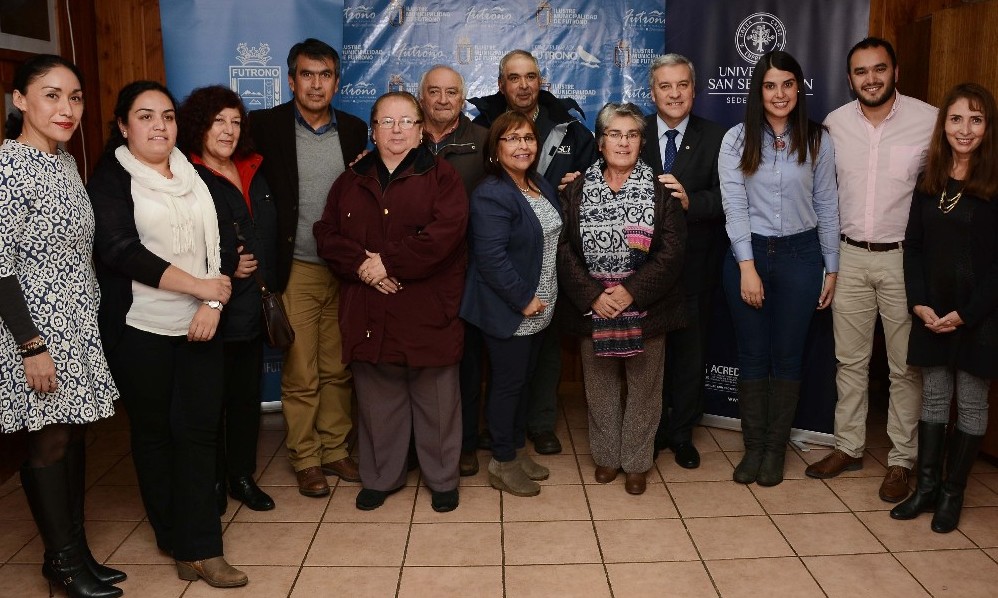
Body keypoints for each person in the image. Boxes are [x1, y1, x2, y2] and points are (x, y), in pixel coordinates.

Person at [88, 80, 246, 588]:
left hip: (202, 322)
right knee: (155, 434)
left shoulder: (195, 175)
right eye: (146, 115)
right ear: (123, 125)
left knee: (198, 431)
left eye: (168, 116)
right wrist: (197, 285)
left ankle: (203, 546)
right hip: (140, 327)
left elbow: (224, 246)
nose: (160, 125)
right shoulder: (112, 175)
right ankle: (172, 536)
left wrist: (213, 301)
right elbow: (119, 249)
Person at [0, 54, 123, 598]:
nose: (67, 108)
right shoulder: (8, 167)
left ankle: (75, 553)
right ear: (19, 100)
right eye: (51, 95)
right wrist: (31, 344)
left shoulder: (65, 162)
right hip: (34, 330)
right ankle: (65, 563)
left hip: (78, 323)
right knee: (49, 443)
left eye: (74, 97)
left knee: (73, 440)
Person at [314, 91, 468, 512]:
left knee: (437, 403)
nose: (397, 130)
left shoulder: (443, 178)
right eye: (387, 122)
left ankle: (442, 479)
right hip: (369, 310)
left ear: (421, 133)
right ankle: (381, 477)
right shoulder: (350, 180)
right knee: (378, 404)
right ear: (373, 131)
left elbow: (446, 235)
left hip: (426, 309)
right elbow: (326, 234)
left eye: (406, 122)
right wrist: (365, 267)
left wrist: (389, 264)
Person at [805, 38, 938, 504]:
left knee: (905, 368)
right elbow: (823, 194)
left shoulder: (930, 120)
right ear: (850, 79)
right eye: (861, 71)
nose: (871, 78)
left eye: (879, 69)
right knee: (851, 361)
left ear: (895, 71)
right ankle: (849, 446)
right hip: (850, 257)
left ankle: (902, 460)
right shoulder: (835, 125)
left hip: (904, 259)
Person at [249, 38, 368, 497]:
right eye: (306, 74)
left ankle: (336, 448)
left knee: (339, 367)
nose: (316, 84)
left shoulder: (356, 131)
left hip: (346, 269)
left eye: (325, 75)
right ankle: (305, 457)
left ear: (337, 81)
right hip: (294, 266)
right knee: (300, 371)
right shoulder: (265, 127)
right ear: (290, 78)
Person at [719, 51, 840, 487]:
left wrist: (832, 267)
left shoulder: (817, 139)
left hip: (802, 257)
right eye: (770, 85)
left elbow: (827, 205)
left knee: (787, 358)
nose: (779, 93)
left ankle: (774, 451)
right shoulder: (736, 139)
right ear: (758, 90)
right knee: (751, 356)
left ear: (798, 88)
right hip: (748, 256)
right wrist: (746, 267)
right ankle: (753, 449)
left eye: (787, 84)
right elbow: (733, 207)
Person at [469, 49, 596, 456]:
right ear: (501, 83)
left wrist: (574, 188)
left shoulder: (561, 144)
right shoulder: (485, 142)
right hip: (512, 286)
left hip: (550, 279)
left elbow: (592, 188)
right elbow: (490, 252)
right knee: (507, 376)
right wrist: (523, 297)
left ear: (541, 80)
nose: (523, 84)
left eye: (531, 76)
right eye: (514, 77)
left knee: (535, 366)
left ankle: (531, 432)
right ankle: (503, 449)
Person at [558, 102, 686, 495]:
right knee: (599, 387)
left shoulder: (661, 188)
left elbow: (673, 250)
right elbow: (563, 248)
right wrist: (594, 295)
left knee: (645, 388)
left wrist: (631, 291)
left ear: (641, 142)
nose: (623, 142)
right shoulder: (576, 189)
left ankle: (635, 461)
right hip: (593, 308)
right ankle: (607, 457)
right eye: (614, 134)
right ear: (600, 142)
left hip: (646, 307)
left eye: (631, 135)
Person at [890, 83, 998, 533]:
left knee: (971, 404)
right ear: (944, 125)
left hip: (980, 317)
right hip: (932, 314)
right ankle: (927, 488)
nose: (965, 129)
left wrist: (969, 313)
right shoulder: (930, 179)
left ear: (988, 127)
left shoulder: (994, 182)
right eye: (956, 118)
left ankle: (953, 494)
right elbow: (912, 247)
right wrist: (919, 303)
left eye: (975, 119)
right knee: (933, 398)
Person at [179, 85, 278, 513]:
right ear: (200, 124)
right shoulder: (185, 173)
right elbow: (175, 241)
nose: (228, 130)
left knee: (244, 398)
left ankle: (241, 476)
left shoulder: (254, 166)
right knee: (210, 401)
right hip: (210, 306)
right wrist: (222, 266)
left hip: (253, 305)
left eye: (236, 122)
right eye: (219, 120)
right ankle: (214, 481)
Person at [461, 111, 562, 497]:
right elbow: (491, 259)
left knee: (523, 385)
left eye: (529, 138)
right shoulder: (491, 193)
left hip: (542, 307)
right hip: (511, 310)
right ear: (496, 148)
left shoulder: (537, 183)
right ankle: (502, 463)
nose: (523, 146)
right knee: (507, 387)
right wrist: (524, 300)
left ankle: (515, 453)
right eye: (512, 139)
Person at [640, 53, 728, 470]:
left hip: (696, 267)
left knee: (690, 357)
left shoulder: (719, 137)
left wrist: (694, 201)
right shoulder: (633, 133)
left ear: (694, 89)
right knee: (649, 356)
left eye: (682, 85)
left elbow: (730, 198)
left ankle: (681, 434)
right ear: (652, 91)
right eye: (664, 86)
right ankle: (651, 431)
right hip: (644, 271)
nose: (674, 94)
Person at [418, 64, 489, 477]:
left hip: (469, 270)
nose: (443, 100)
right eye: (434, 92)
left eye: (451, 93)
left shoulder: (483, 141)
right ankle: (419, 443)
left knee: (467, 360)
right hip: (413, 270)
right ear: (421, 96)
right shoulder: (404, 135)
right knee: (418, 358)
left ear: (463, 99)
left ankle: (464, 444)